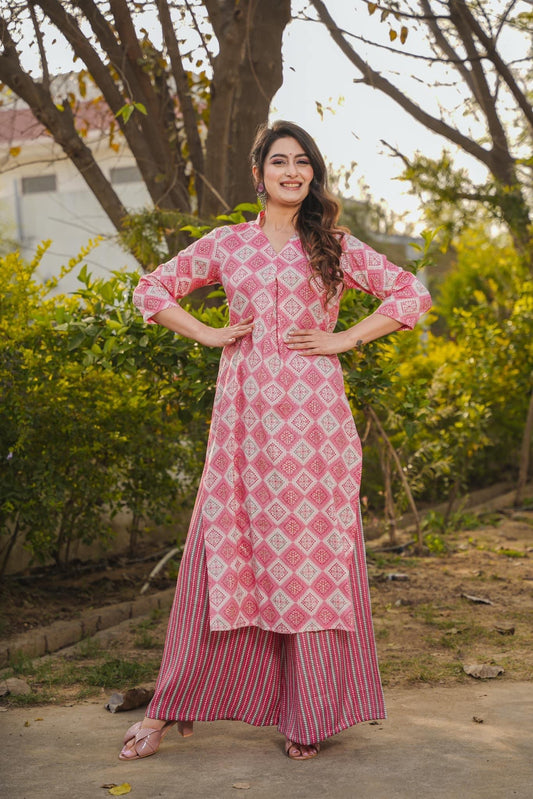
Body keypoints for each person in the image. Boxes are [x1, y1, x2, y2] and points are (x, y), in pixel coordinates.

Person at [120, 120, 431, 762]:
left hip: (316, 428)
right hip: (243, 426)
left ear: (313, 174)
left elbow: (411, 293)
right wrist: (207, 333)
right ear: (259, 173)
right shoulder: (228, 245)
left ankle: (307, 715)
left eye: (303, 162)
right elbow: (149, 288)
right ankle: (167, 707)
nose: (293, 172)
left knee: (311, 560)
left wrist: (346, 338)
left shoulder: (334, 246)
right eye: (280, 162)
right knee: (224, 549)